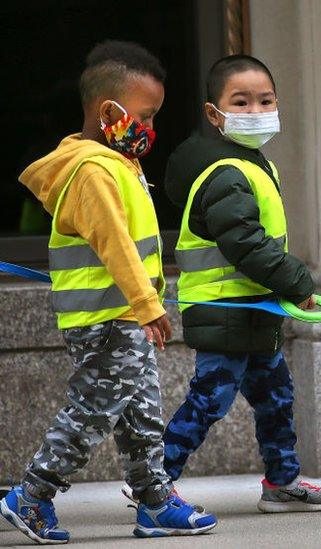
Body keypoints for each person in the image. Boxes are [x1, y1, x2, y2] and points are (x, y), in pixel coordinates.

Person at [4, 41, 215, 544]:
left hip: (123, 318)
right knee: (92, 411)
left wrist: (142, 306)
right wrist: (147, 304)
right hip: (108, 319)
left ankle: (155, 502)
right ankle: (31, 496)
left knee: (141, 416)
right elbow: (115, 244)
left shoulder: (119, 164)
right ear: (109, 111)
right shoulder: (94, 171)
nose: (151, 126)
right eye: (146, 114)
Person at [159, 55, 321, 512]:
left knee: (276, 397)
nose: (255, 111)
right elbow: (245, 242)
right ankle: (154, 480)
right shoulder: (228, 171)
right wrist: (298, 282)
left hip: (254, 308)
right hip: (224, 308)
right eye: (239, 102)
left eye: (265, 100)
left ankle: (282, 482)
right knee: (210, 399)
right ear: (213, 113)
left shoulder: (248, 162)